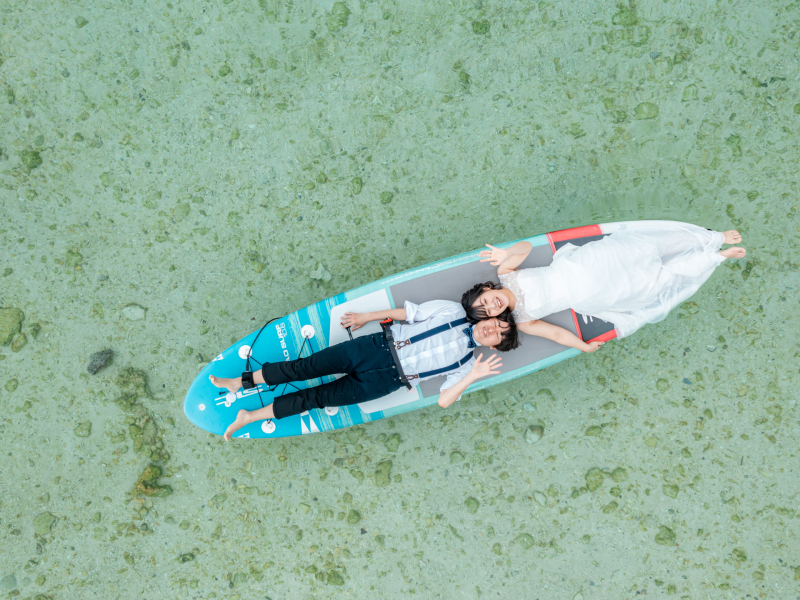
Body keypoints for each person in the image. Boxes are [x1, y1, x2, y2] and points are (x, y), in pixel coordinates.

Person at [210, 299, 520, 440]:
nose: (492, 329)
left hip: (386, 382)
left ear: (494, 346)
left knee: (315, 399)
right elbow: (408, 313)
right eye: (494, 322)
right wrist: (366, 317)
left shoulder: (468, 364)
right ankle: (241, 382)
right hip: (374, 347)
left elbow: (443, 400)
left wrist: (475, 377)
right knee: (303, 367)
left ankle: (248, 416)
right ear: (485, 319)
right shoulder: (452, 310)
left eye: (498, 334)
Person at [463, 222, 746, 348]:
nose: (491, 306)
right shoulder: (523, 321)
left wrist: (506, 253)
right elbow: (557, 335)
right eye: (488, 312)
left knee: (648, 246)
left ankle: (714, 238)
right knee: (659, 281)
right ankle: (716, 257)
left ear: (487, 289)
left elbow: (525, 246)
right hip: (594, 293)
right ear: (496, 317)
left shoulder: (506, 273)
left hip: (586, 264)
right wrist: (582, 347)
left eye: (485, 300)